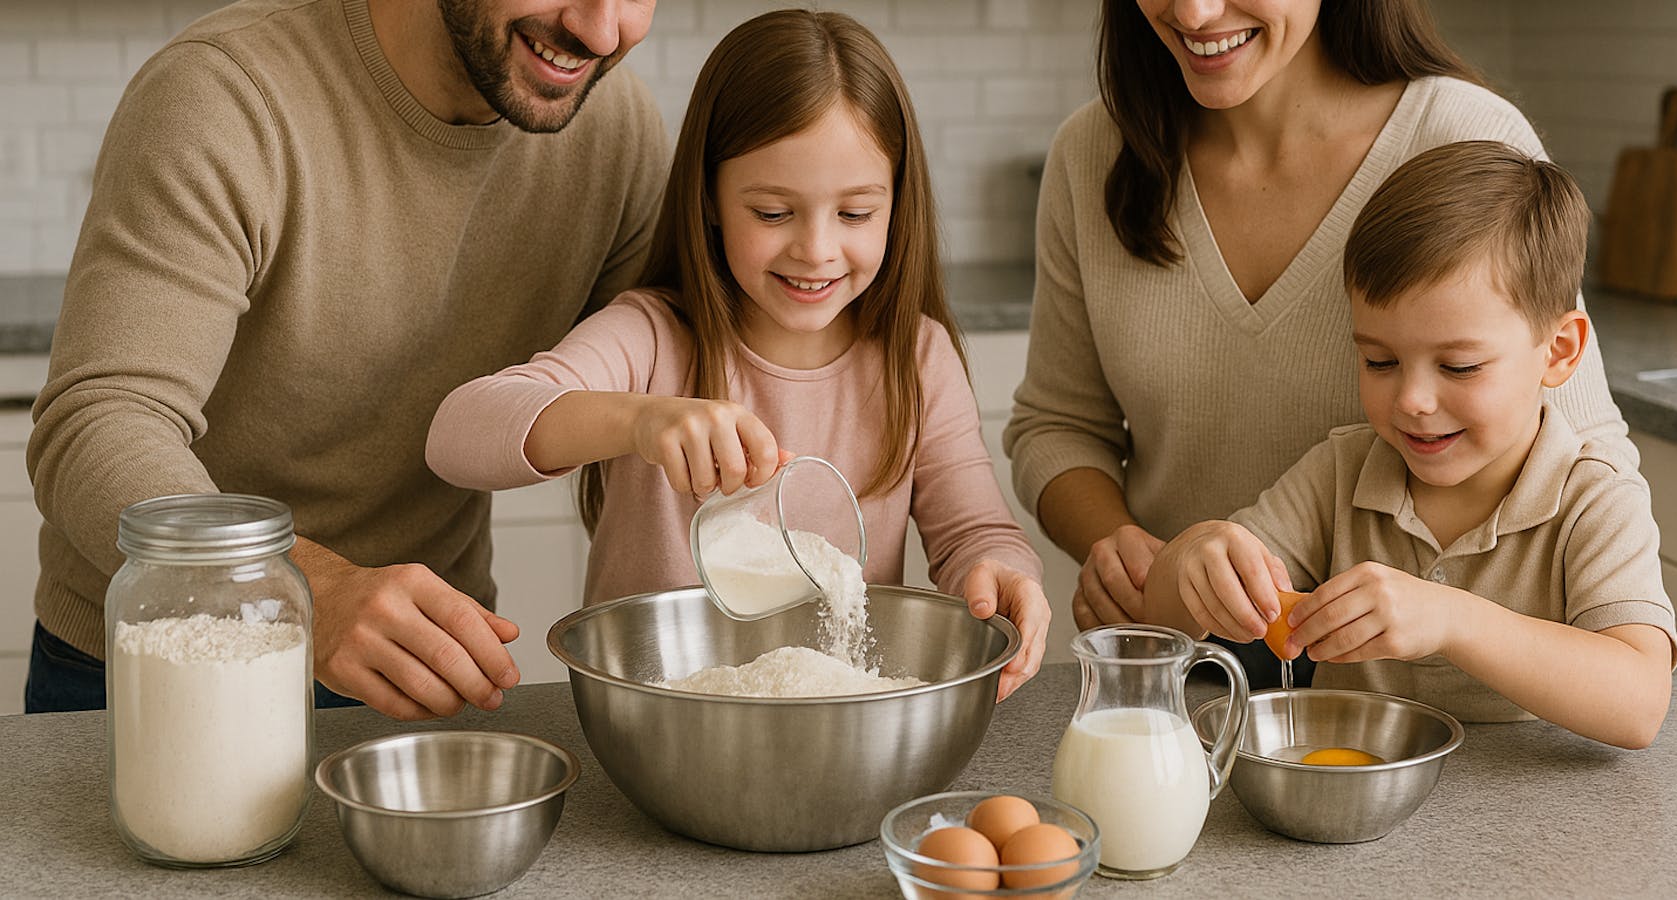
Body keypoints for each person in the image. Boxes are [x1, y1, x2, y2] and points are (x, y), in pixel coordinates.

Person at [26, 0, 669, 719]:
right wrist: (296, 590)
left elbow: (662, 379)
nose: (602, 30)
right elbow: (99, 423)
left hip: (418, 670)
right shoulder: (226, 92)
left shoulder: (615, 131)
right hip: (167, 658)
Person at [1002, 0, 1637, 688]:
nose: (1194, 10)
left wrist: (1460, 621)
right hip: (1185, 667)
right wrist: (1125, 548)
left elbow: (1583, 449)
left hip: (1419, 698)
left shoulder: (1462, 137)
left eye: (1453, 365)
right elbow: (1058, 427)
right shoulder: (1092, 155)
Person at [425, 9, 1051, 700]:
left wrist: (1000, 572)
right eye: (774, 213)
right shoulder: (652, 337)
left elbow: (975, 535)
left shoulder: (917, 358)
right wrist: (639, 421)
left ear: (897, 205)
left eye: (855, 214)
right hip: (656, 723)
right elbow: (458, 434)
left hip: (845, 726)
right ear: (713, 199)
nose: (816, 250)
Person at [1139, 142, 1676, 748]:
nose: (1412, 400)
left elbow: (1640, 704)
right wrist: (1193, 558)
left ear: (1559, 351)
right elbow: (1160, 619)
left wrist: (1451, 618)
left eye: (1460, 366)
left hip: (1537, 827)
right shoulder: (1340, 473)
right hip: (1351, 816)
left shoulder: (1595, 499)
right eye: (1380, 360)